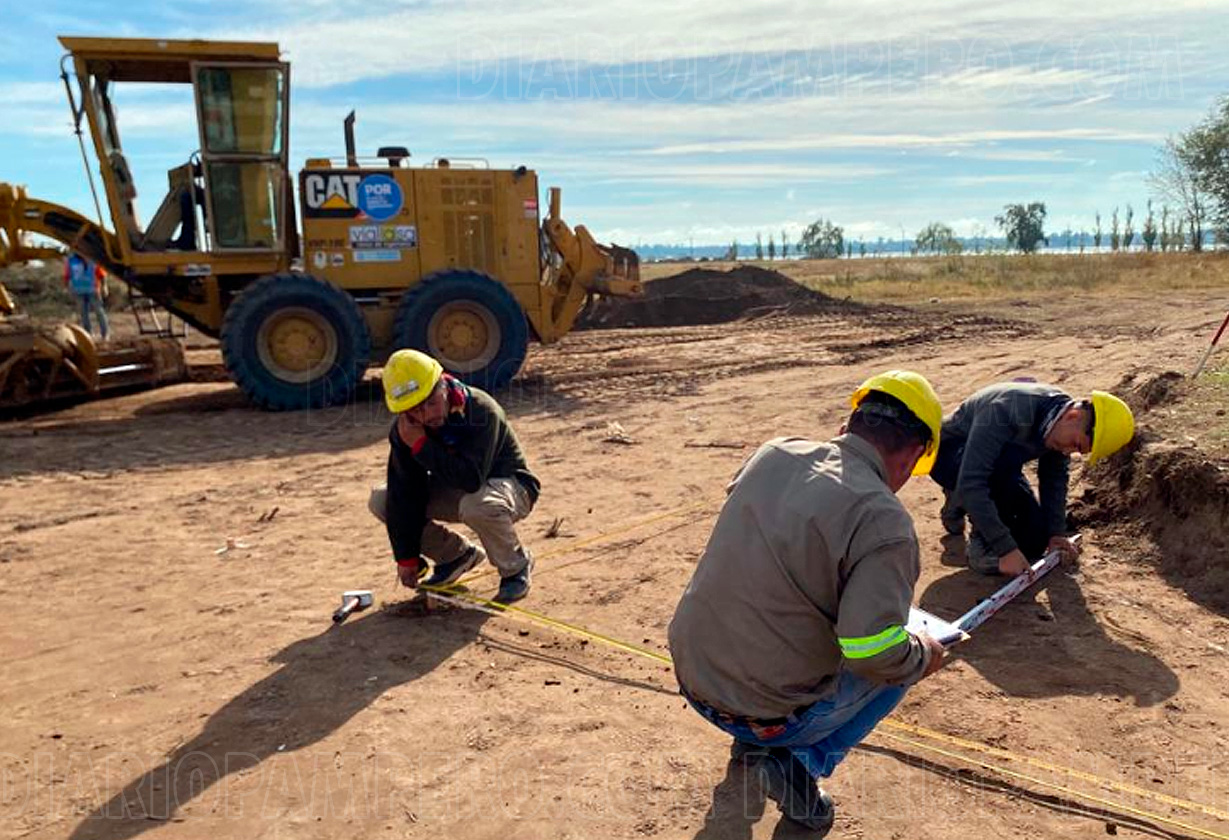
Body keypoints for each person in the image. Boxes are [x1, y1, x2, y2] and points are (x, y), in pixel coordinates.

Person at [668, 371, 949, 834]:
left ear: (849, 425)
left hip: (693, 675)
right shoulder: (885, 521)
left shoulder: (773, 452)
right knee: (899, 664)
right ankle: (800, 763)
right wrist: (924, 654)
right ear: (914, 453)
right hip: (764, 714)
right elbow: (872, 651)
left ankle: (752, 745)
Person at [368, 349, 539, 604]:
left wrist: (421, 446)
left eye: (432, 402)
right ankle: (456, 556)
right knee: (382, 500)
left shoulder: (481, 410)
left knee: (479, 506)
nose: (428, 415)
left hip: (512, 487)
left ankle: (516, 567)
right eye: (416, 410)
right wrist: (406, 557)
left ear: (445, 386)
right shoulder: (406, 429)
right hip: (464, 489)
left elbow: (471, 478)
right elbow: (405, 490)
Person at [931, 382, 1135, 576]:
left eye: (1077, 450)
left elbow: (1054, 479)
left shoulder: (1057, 421)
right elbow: (973, 481)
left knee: (1034, 541)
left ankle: (964, 499)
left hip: (998, 467)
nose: (1069, 451)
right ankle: (977, 535)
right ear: (1072, 416)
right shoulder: (1005, 411)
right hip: (948, 457)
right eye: (1075, 443)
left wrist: (1056, 533)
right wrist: (1005, 549)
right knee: (997, 467)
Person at [63, 252, 109, 340]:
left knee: (99, 312)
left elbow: (102, 274)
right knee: (84, 314)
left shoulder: (93, 259)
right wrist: (67, 288)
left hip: (93, 290)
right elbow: (67, 275)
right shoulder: (71, 260)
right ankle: (88, 334)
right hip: (78, 290)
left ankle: (105, 334)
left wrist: (104, 286)